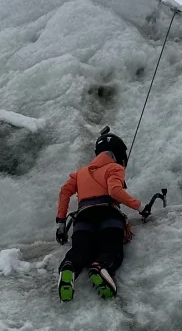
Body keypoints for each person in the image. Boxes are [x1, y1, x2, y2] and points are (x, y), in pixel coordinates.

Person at [55, 128, 141, 301]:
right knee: (112, 249)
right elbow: (115, 191)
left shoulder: (80, 173)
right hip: (109, 215)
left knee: (81, 250)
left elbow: (65, 192)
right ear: (118, 154)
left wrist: (61, 224)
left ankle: (69, 267)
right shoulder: (114, 168)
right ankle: (101, 267)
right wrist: (140, 206)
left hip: (83, 217)